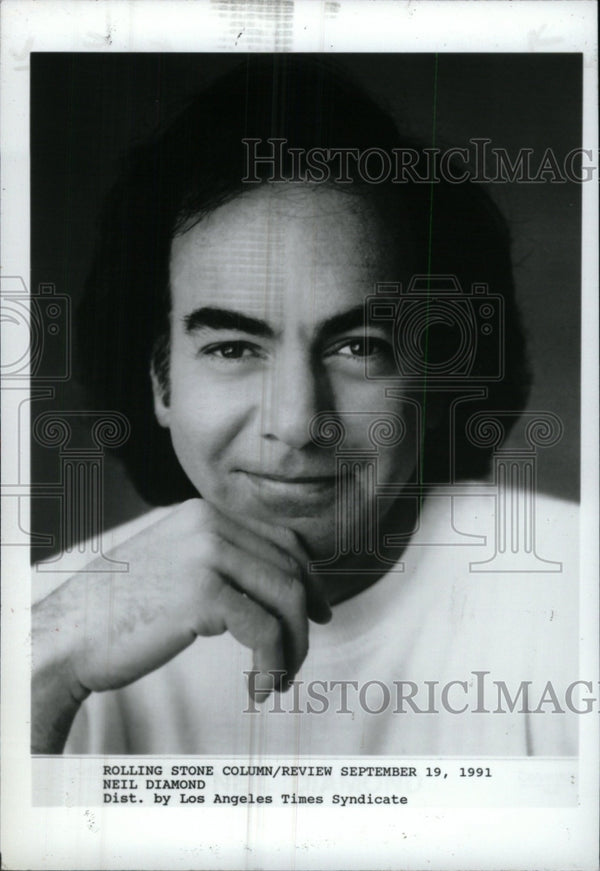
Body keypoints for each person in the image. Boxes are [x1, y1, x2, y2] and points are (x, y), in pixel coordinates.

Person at [32, 56, 577, 756]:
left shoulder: (572, 596)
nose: (294, 421)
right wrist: (45, 666)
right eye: (233, 348)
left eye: (358, 346)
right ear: (160, 384)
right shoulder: (47, 623)